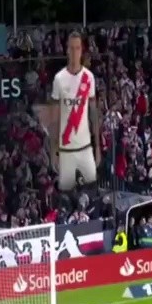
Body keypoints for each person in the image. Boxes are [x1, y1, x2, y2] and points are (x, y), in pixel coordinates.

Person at [50, 32, 101, 192]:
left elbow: (93, 114)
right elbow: (55, 118)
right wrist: (53, 151)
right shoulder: (59, 79)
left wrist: (97, 146)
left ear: (81, 50)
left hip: (85, 146)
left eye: (77, 48)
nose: (74, 52)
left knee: (92, 193)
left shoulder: (89, 77)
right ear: (67, 50)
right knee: (66, 194)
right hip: (66, 149)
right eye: (71, 48)